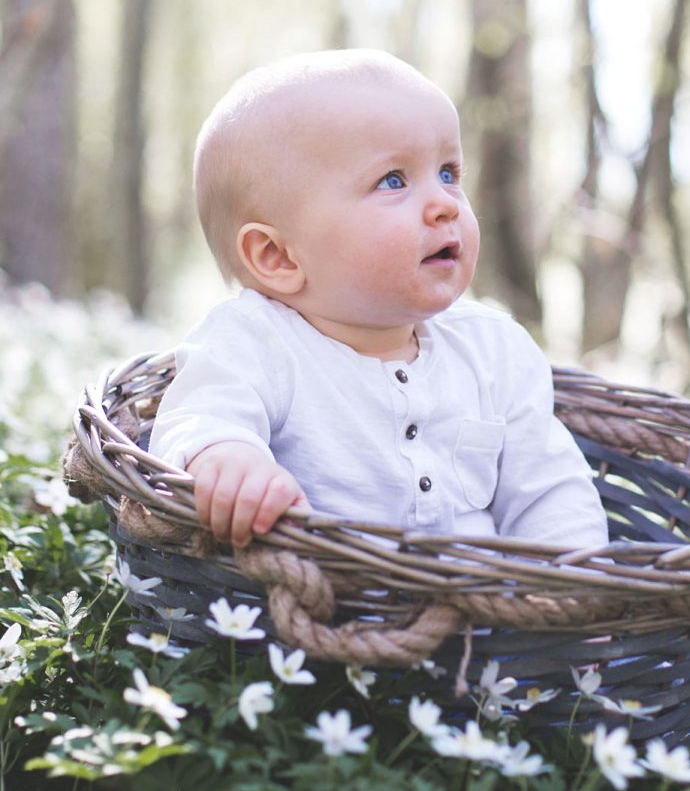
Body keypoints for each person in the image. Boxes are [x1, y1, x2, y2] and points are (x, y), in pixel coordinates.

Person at [149, 49, 610, 554]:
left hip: (493, 618)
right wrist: (230, 461)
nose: (444, 205)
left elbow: (551, 493)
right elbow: (198, 418)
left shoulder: (495, 351)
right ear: (278, 256)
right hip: (318, 606)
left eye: (449, 173)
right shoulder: (254, 342)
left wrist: (573, 593)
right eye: (393, 181)